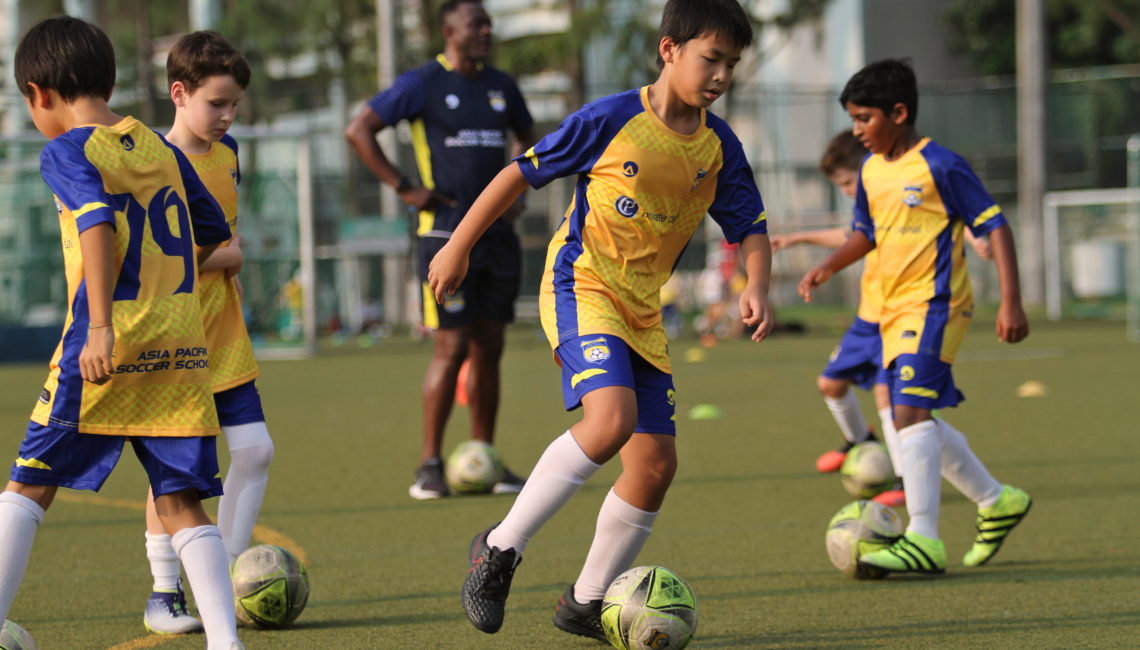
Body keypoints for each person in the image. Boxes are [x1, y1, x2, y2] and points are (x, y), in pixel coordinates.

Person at [430, 0, 771, 637]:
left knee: (656, 466)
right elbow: (517, 174)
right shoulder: (611, 119)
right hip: (582, 285)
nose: (721, 73)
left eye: (731, 62)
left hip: (643, 310)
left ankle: (585, 602)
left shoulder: (719, 146)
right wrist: (458, 244)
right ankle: (498, 550)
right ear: (669, 50)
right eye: (710, 58)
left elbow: (750, 225)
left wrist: (758, 282)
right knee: (609, 421)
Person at [0, 17, 244, 649]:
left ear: (39, 93)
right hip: (182, 346)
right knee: (179, 500)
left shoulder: (67, 149)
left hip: (105, 344)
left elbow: (96, 225)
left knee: (29, 480)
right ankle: (226, 642)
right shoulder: (161, 148)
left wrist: (104, 325)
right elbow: (212, 230)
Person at [798, 59, 1032, 576]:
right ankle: (996, 500)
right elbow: (865, 232)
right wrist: (826, 266)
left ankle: (923, 539)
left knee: (906, 414)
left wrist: (1012, 301)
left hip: (937, 304)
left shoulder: (941, 165)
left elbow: (996, 226)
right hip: (891, 309)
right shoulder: (871, 170)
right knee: (912, 414)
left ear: (899, 112)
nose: (858, 131)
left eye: (865, 119)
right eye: (853, 120)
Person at [345, 0, 537, 499]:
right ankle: (429, 464)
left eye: (488, 23)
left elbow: (529, 139)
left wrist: (517, 188)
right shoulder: (421, 83)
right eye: (477, 24)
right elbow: (359, 129)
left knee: (490, 347)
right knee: (451, 346)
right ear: (450, 31)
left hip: (498, 238)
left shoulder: (502, 86)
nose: (486, 31)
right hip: (444, 237)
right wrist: (403, 186)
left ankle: (484, 458)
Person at [773, 131, 993, 507]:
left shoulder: (910, 185)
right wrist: (799, 239)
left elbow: (952, 219)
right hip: (869, 317)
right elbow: (851, 236)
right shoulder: (873, 207)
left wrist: (977, 238)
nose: (844, 190)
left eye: (845, 182)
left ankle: (908, 479)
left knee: (891, 399)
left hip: (904, 312)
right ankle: (863, 442)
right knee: (830, 384)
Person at [139, 31, 274, 635]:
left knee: (255, 452)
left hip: (225, 331)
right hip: (174, 340)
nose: (227, 116)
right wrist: (225, 259)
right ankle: (164, 594)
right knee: (177, 475)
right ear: (179, 93)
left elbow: (225, 234)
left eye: (234, 106)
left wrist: (226, 259)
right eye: (216, 103)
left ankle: (225, 575)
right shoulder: (153, 164)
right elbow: (152, 261)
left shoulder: (230, 153)